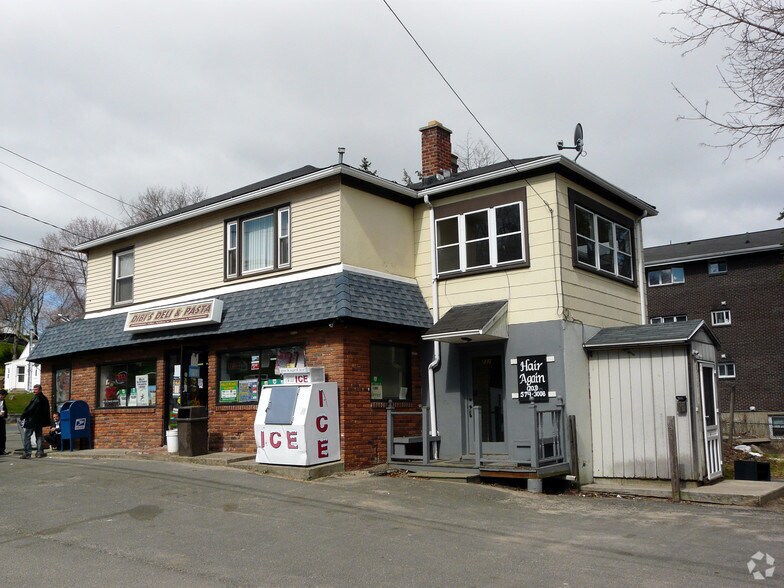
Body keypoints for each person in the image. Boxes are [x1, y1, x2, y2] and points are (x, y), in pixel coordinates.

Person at [19, 384, 50, 459]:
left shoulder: (37, 398)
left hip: (32, 420)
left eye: (36, 389)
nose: (34, 391)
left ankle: (27, 453)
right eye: (34, 389)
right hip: (39, 421)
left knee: (27, 436)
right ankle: (39, 452)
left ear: (40, 390)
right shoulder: (44, 398)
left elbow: (30, 409)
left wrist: (23, 416)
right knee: (38, 436)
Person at [0, 389, 9, 455]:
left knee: (3, 435)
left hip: (2, 420)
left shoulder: (3, 401)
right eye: (4, 396)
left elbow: (4, 409)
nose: (4, 397)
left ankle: (2, 450)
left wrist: (4, 414)